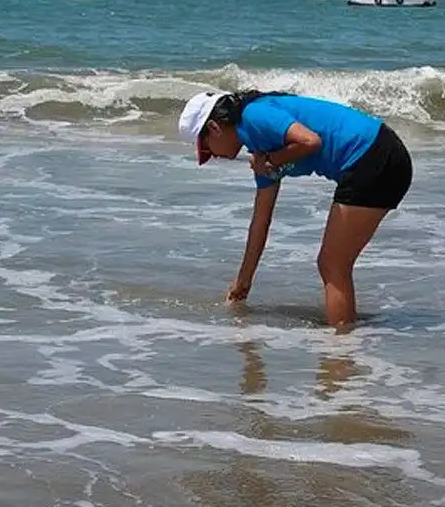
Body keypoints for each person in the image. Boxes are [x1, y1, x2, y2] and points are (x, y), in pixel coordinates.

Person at [177, 89, 413, 328]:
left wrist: (271, 161)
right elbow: (261, 220)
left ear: (215, 129)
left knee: (332, 264)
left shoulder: (254, 116)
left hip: (374, 155)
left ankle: (341, 351)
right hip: (378, 157)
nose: (213, 157)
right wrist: (243, 281)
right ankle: (344, 342)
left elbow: (311, 141)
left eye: (207, 149)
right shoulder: (259, 148)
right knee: (334, 263)